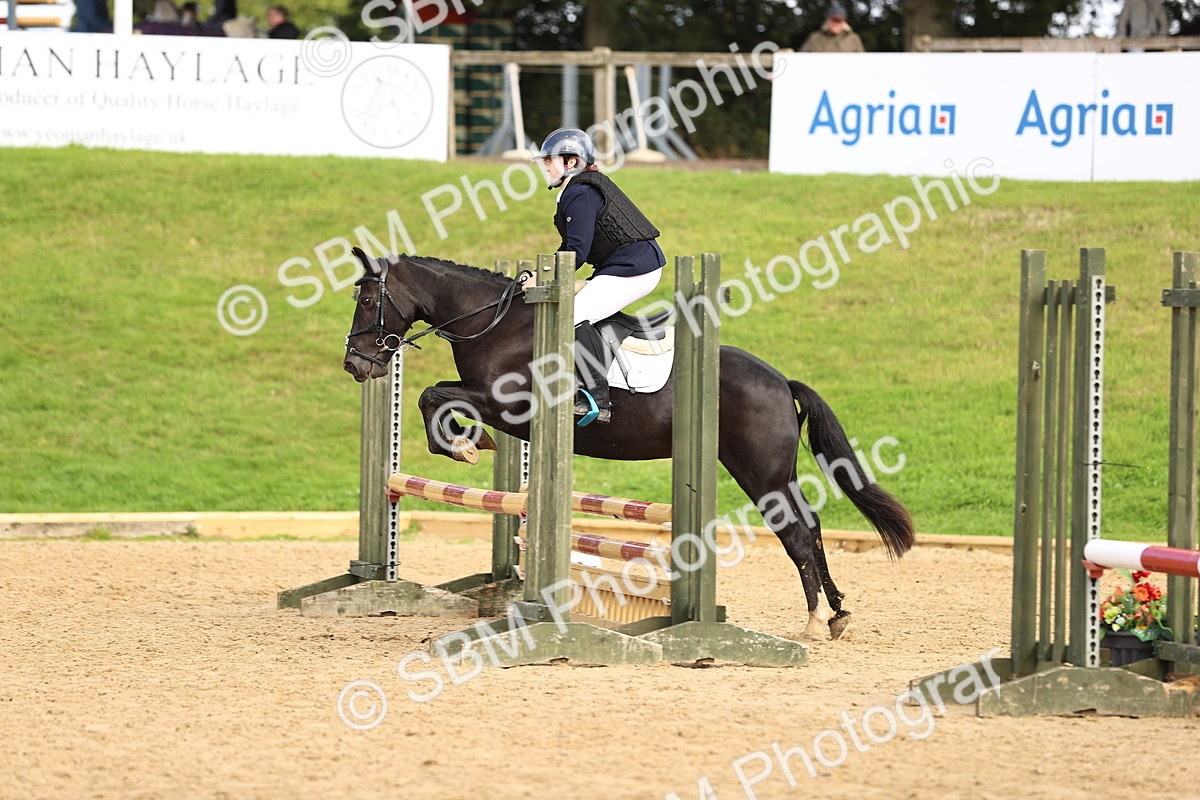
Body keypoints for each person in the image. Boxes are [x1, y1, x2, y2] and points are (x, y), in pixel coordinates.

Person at [532, 127, 666, 425]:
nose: (544, 165)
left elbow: (576, 252)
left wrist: (542, 278)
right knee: (579, 306)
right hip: (625, 265)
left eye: (549, 159)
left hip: (634, 268)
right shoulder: (578, 188)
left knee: (572, 314)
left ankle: (598, 397)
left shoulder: (580, 192)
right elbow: (571, 248)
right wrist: (543, 274)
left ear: (571, 162)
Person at [800, 3, 865, 52]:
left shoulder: (854, 39)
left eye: (838, 21)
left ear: (844, 22)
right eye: (833, 20)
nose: (835, 24)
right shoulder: (814, 38)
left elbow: (862, 62)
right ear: (827, 20)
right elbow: (801, 59)